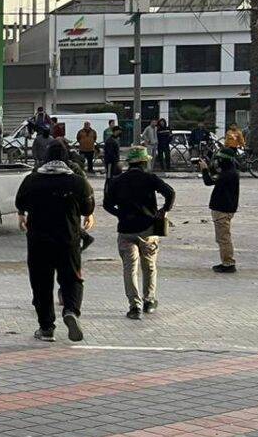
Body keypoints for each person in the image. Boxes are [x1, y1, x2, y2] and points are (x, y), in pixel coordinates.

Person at [14, 144, 95, 342]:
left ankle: (46, 327)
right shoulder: (77, 182)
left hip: (38, 241)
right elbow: (87, 208)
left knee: (41, 284)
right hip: (68, 240)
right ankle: (71, 311)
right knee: (72, 279)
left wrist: (21, 215)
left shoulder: (32, 180)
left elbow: (20, 203)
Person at [102, 147, 175, 320]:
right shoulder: (150, 178)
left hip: (126, 229)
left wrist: (120, 214)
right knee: (149, 266)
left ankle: (134, 306)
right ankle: (149, 300)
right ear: (144, 162)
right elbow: (170, 193)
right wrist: (164, 210)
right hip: (148, 229)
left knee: (130, 268)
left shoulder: (117, 180)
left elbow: (106, 204)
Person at [202, 146, 239, 274]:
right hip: (226, 208)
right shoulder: (230, 171)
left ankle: (228, 263)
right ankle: (226, 261)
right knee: (222, 237)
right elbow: (214, 176)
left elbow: (208, 181)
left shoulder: (227, 175)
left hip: (222, 210)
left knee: (223, 238)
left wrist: (204, 169)